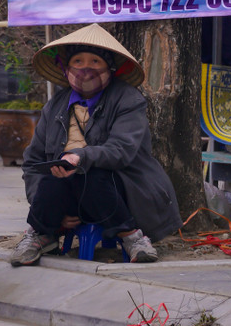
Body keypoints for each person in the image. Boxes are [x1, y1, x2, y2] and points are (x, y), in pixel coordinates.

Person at [10, 23, 183, 267]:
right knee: (50, 179)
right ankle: (40, 234)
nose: (85, 69)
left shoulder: (128, 99)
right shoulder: (54, 106)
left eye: (95, 62)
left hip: (119, 192)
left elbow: (121, 149)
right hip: (67, 195)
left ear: (109, 68)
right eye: (78, 61)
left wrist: (79, 157)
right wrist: (53, 213)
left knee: (91, 176)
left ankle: (131, 237)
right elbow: (33, 162)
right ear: (67, 68)